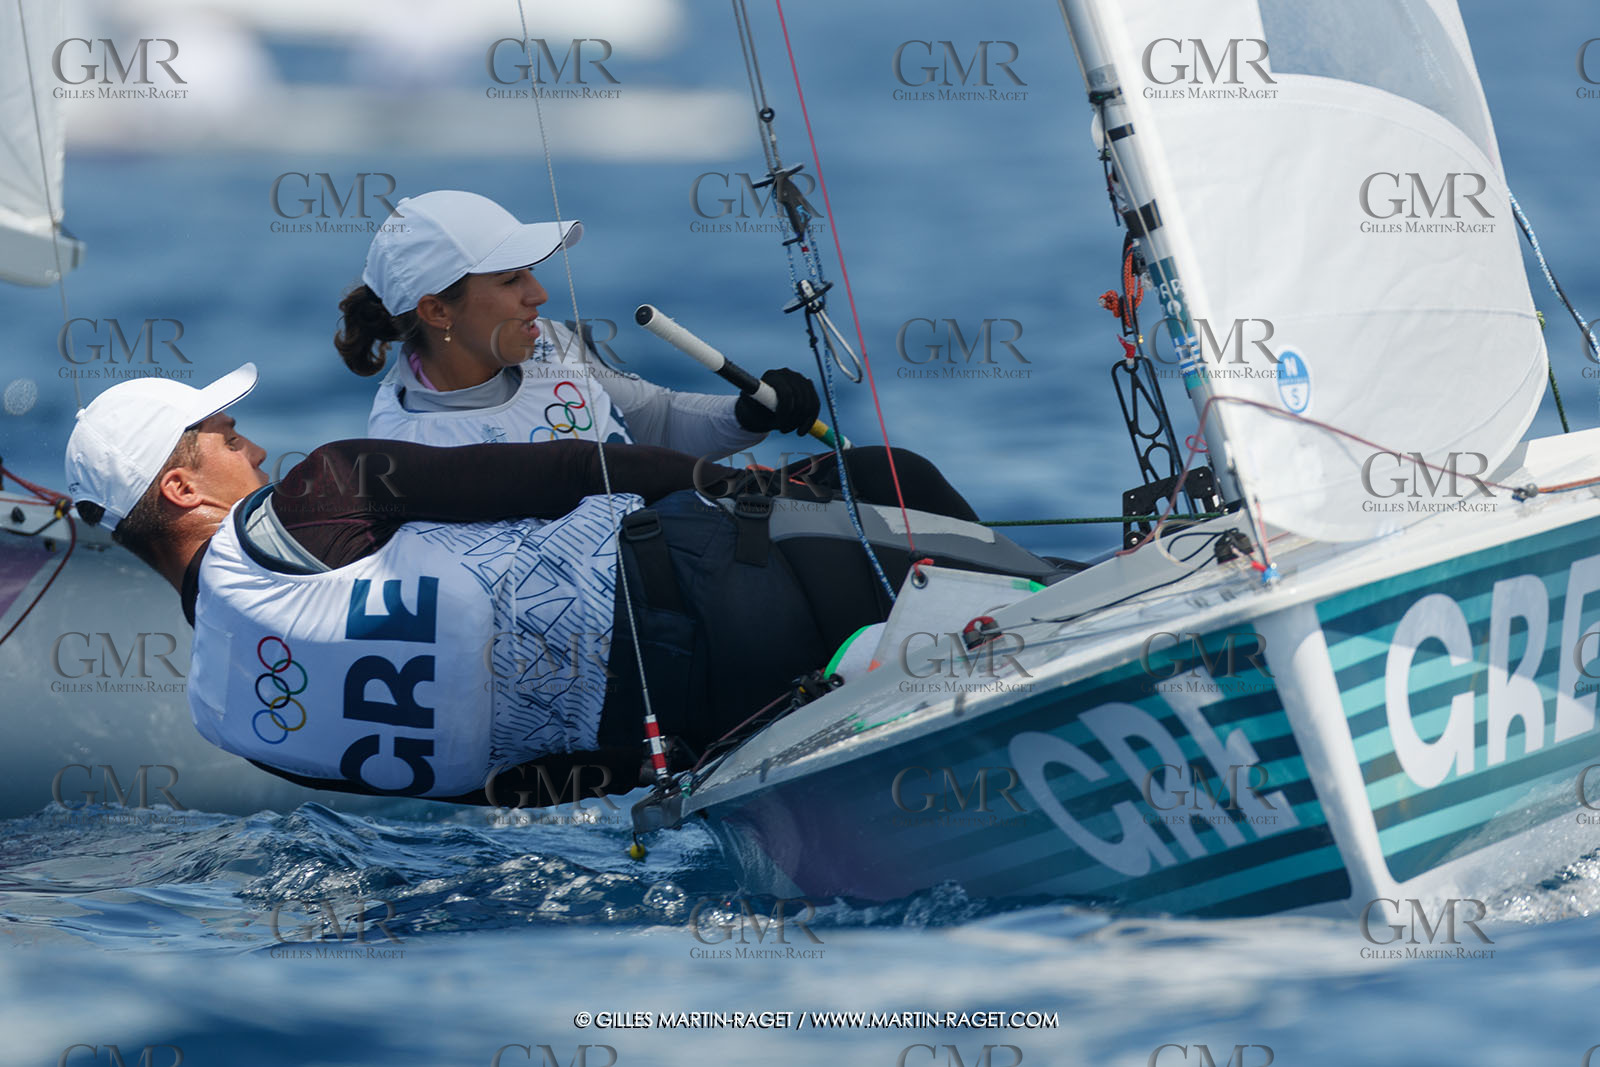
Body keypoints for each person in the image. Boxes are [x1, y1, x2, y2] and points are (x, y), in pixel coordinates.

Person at [63, 366, 1025, 807]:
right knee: (902, 483)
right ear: (182, 487)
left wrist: (675, 767)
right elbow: (568, 470)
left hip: (698, 728)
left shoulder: (226, 719)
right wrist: (744, 488)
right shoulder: (308, 501)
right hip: (705, 574)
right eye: (226, 439)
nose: (255, 446)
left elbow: (489, 791)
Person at [334, 189, 822, 455]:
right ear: (437, 310)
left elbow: (659, 422)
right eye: (509, 282)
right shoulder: (408, 449)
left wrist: (747, 415)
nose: (539, 296)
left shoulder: (548, 342)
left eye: (531, 273)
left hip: (668, 555)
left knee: (886, 471)